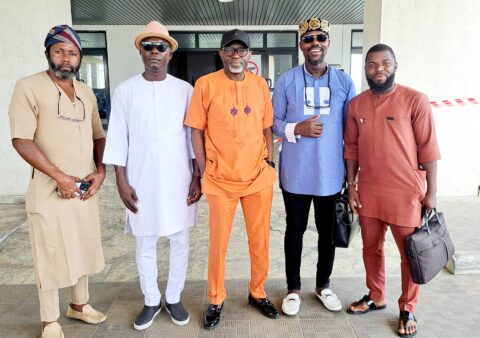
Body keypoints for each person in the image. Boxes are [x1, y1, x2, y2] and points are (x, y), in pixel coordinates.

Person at [8, 24, 107, 338]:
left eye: (72, 52)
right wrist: (60, 177)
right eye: (59, 51)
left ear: (79, 58)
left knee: (82, 245)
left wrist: (101, 171)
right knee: (50, 251)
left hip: (83, 189)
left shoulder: (86, 92)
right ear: (48, 53)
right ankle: (49, 320)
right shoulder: (28, 87)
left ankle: (79, 306)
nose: (66, 58)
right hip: (49, 188)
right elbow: (21, 140)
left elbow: (98, 135)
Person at [102, 21, 201, 330]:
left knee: (179, 240)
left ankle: (173, 297)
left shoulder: (185, 90)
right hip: (140, 179)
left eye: (161, 47)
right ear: (141, 52)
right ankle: (149, 300)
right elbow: (117, 137)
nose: (155, 52)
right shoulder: (125, 91)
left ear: (170, 53)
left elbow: (192, 136)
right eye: (149, 47)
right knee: (144, 242)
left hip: (178, 179)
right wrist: (120, 180)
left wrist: (197, 174)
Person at [343, 43, 440, 338]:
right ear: (365, 69)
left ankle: (408, 307)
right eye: (372, 65)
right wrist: (352, 186)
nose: (379, 69)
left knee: (410, 254)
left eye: (385, 63)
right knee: (371, 249)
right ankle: (376, 295)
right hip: (369, 191)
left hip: (406, 193)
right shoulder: (356, 105)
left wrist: (431, 193)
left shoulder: (415, 100)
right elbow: (351, 148)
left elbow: (429, 149)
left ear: (395, 66)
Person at [185, 29, 279, 330]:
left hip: (257, 177)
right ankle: (215, 298)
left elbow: (267, 125)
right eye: (230, 49)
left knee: (259, 241)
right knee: (218, 244)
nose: (236, 55)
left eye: (241, 50)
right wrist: (202, 168)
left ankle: (257, 292)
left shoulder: (260, 85)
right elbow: (195, 130)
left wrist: (270, 160)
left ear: (249, 55)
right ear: (221, 53)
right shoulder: (205, 85)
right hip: (220, 178)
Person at [272, 17, 356, 316]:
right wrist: (298, 129)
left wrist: (352, 176)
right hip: (295, 173)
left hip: (330, 175)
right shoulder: (287, 80)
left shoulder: (344, 82)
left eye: (320, 38)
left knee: (327, 232)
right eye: (309, 39)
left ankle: (323, 285)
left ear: (328, 43)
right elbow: (273, 123)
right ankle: (293, 288)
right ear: (301, 46)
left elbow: (352, 132)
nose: (315, 44)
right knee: (294, 230)